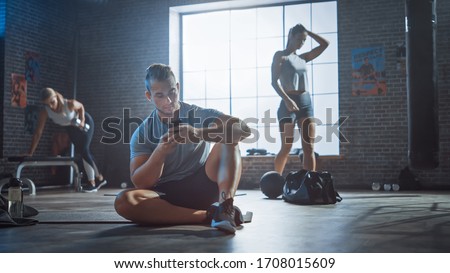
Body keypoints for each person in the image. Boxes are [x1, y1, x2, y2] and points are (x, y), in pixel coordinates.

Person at [114, 63, 251, 234]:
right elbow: (140, 182)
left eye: (172, 92)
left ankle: (225, 207)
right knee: (124, 201)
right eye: (160, 95)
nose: (169, 101)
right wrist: (160, 153)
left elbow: (244, 130)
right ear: (149, 96)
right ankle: (209, 215)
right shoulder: (142, 133)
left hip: (204, 185)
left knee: (228, 139)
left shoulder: (198, 114)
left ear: (177, 87)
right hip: (166, 197)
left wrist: (199, 133)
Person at [271, 24, 329, 174]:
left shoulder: (303, 58)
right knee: (287, 146)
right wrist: (287, 100)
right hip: (287, 102)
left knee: (309, 146)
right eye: (299, 39)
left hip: (305, 102)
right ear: (290, 35)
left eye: (304, 40)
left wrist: (308, 32)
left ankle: (309, 182)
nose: (301, 43)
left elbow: (325, 44)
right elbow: (274, 82)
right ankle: (276, 180)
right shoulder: (280, 55)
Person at [27, 87, 107, 192]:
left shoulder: (69, 104)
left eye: (52, 102)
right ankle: (100, 178)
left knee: (84, 150)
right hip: (70, 128)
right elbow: (38, 133)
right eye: (47, 104)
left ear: (56, 97)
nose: (51, 106)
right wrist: (30, 153)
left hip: (84, 123)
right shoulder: (45, 112)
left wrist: (82, 120)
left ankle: (92, 183)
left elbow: (81, 107)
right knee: (83, 151)